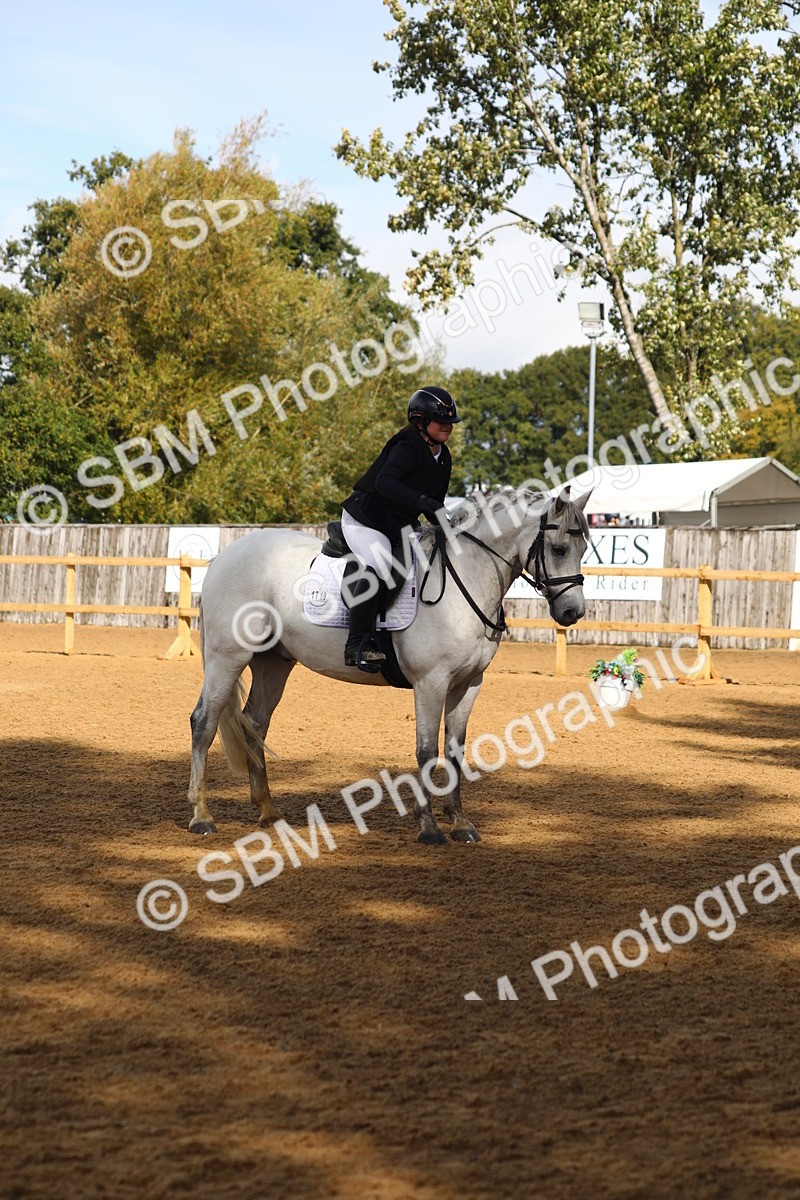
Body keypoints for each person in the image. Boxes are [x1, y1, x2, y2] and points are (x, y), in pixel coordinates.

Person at [339, 385, 460, 670]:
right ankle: (355, 645)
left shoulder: (443, 457)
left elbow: (436, 503)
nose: (447, 427)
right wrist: (423, 502)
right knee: (381, 566)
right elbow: (385, 483)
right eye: (441, 421)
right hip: (366, 520)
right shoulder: (406, 446)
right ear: (420, 423)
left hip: (399, 525)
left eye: (450, 423)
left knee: (422, 564)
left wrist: (448, 528)